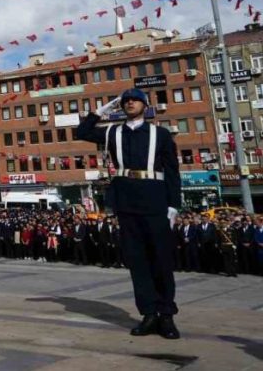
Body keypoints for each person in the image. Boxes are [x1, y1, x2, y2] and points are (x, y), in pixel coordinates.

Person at [75, 88, 181, 339]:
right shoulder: (113, 132)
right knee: (137, 261)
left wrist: (173, 205)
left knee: (161, 259)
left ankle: (166, 315)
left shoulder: (160, 134)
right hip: (126, 200)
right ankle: (149, 313)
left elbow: (172, 171)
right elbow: (82, 132)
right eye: (126, 101)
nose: (130, 103)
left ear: (145, 105)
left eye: (135, 100)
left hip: (155, 199)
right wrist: (100, 111)